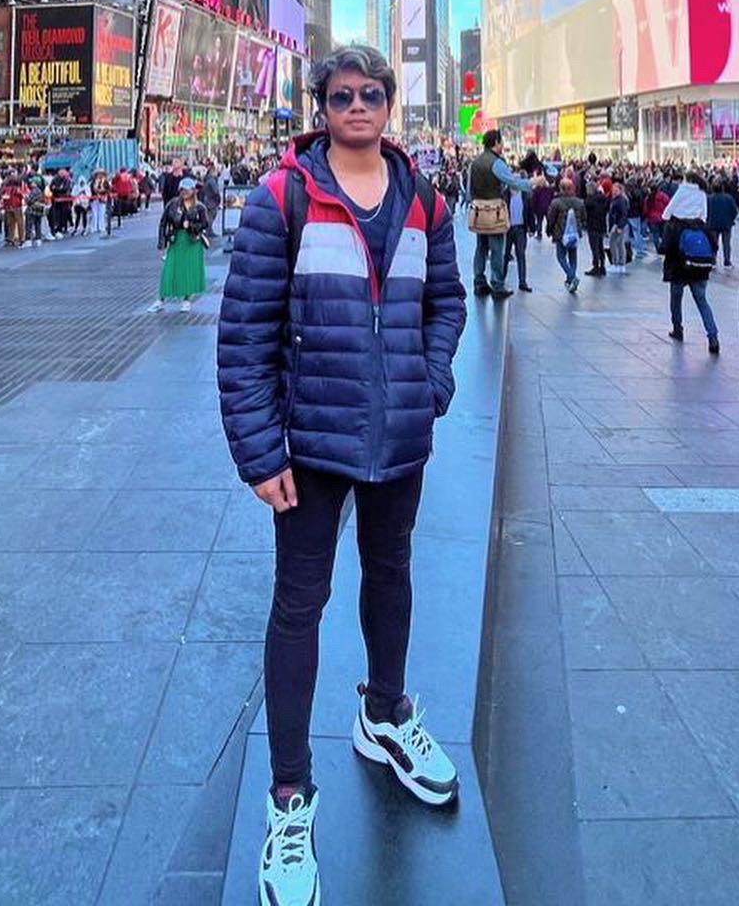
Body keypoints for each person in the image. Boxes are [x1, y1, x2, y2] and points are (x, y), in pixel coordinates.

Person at [218, 46, 466, 906]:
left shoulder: (425, 197)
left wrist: (430, 382)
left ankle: (385, 710)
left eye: (372, 93)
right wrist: (260, 453)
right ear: (320, 105)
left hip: (398, 435)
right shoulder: (281, 195)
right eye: (341, 94)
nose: (357, 105)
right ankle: (290, 796)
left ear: (392, 102)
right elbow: (244, 333)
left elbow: (448, 301)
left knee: (392, 573)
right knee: (300, 603)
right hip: (308, 447)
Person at [467, 130, 534, 300]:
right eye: (501, 142)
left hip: (478, 211)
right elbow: (512, 181)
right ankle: (497, 284)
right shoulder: (497, 163)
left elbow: (468, 190)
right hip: (494, 211)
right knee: (497, 248)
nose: (502, 146)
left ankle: (479, 281)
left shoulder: (474, 163)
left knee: (481, 247)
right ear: (495, 142)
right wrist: (532, 183)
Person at [662, 177, 720, 353]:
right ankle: (713, 337)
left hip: (679, 266)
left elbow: (665, 244)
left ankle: (678, 328)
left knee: (676, 297)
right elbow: (714, 245)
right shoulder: (702, 224)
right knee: (702, 300)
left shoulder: (676, 224)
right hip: (699, 267)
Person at [158, 177, 211, 312]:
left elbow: (205, 224)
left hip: (192, 240)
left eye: (187, 190)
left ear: (193, 191)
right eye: (182, 190)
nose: (184, 193)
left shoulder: (199, 207)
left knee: (189, 271)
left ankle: (187, 300)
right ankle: (161, 299)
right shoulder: (173, 204)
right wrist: (162, 241)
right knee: (170, 269)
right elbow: (164, 222)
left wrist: (192, 226)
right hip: (176, 239)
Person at [546, 175, 586, 292]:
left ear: (561, 188)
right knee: (573, 257)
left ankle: (572, 277)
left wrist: (549, 230)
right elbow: (584, 217)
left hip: (560, 233)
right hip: (574, 233)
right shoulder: (579, 202)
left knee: (561, 257)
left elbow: (551, 218)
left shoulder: (556, 202)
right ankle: (571, 278)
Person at [707, 180, 739, 267]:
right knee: (726, 244)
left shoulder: (709, 198)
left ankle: (713, 260)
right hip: (726, 224)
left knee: (713, 243)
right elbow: (735, 211)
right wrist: (731, 220)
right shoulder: (729, 198)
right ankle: (727, 261)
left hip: (712, 224)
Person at [606, 180, 631, 275]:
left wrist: (619, 226)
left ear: (620, 190)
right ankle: (620, 264)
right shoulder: (619, 199)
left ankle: (616, 263)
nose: (614, 192)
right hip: (618, 224)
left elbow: (623, 214)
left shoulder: (620, 200)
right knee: (619, 244)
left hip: (618, 225)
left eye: (616, 190)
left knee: (614, 244)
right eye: (613, 190)